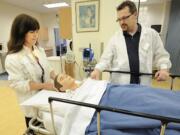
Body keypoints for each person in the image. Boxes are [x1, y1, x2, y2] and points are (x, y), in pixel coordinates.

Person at [23, 74, 180, 135]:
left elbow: (100, 83)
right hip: (102, 103)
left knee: (145, 95)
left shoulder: (88, 83)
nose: (67, 76)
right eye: (63, 79)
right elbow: (74, 114)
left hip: (112, 91)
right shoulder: (69, 99)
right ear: (61, 89)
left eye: (65, 74)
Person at [90, 1, 171, 85]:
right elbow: (105, 59)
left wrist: (164, 69)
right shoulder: (115, 38)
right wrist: (97, 70)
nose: (121, 22)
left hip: (142, 85)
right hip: (120, 85)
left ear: (135, 14)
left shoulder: (151, 35)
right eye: (119, 19)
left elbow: (161, 56)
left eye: (124, 18)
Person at [5, 14, 57, 134]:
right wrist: (44, 86)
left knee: (46, 126)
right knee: (33, 126)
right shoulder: (13, 58)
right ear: (21, 32)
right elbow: (17, 84)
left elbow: (48, 68)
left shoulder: (38, 50)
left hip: (45, 96)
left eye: (37, 31)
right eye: (31, 31)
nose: (35, 35)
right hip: (30, 100)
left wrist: (57, 77)